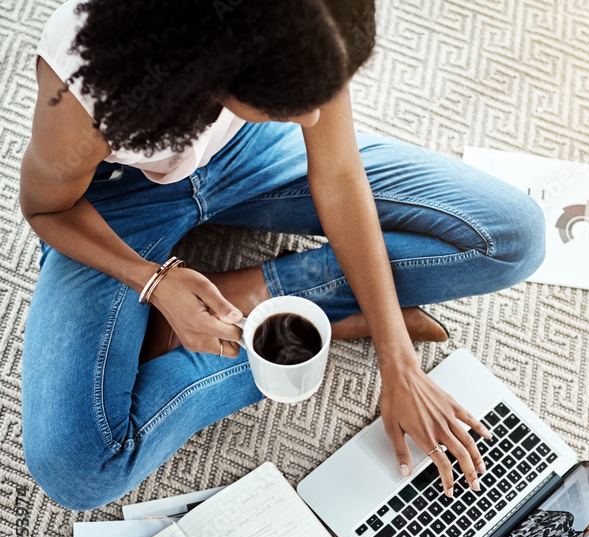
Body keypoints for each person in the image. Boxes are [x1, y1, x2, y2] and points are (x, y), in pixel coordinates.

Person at [18, 0, 545, 511]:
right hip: (117, 202)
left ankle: (262, 299)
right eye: (291, 100)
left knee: (512, 237)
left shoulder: (310, 20)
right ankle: (311, 323)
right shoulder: (86, 80)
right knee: (80, 468)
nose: (313, 115)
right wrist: (152, 281)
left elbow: (336, 173)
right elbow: (46, 210)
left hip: (247, 152)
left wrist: (398, 359)